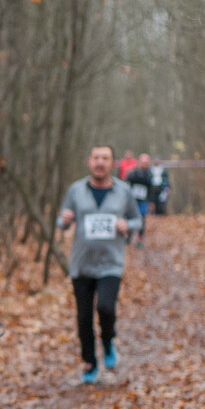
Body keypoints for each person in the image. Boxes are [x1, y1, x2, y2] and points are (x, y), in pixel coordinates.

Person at [56, 144, 142, 385]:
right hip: (81, 264)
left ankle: (107, 340)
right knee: (84, 318)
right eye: (96, 158)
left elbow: (137, 219)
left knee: (105, 307)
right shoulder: (76, 190)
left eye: (105, 158)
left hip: (111, 263)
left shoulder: (123, 191)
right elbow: (61, 220)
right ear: (89, 162)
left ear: (113, 163)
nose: (100, 162)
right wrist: (64, 219)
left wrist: (127, 225)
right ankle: (90, 363)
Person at [124, 153, 152, 247]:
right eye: (143, 162)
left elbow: (151, 188)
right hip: (133, 200)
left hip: (143, 200)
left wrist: (150, 201)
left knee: (142, 219)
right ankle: (129, 236)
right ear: (139, 162)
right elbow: (128, 184)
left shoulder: (149, 174)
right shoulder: (133, 172)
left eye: (146, 163)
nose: (145, 164)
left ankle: (140, 239)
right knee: (130, 217)